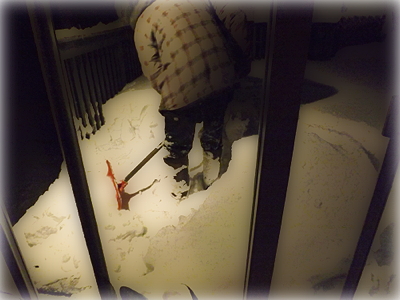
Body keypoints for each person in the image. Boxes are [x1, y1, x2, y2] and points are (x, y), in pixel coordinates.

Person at [121, 0, 250, 200]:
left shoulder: (142, 24)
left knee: (177, 147)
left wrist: (172, 92)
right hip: (220, 79)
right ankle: (212, 181)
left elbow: (151, 68)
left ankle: (179, 191)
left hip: (182, 87)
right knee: (212, 134)